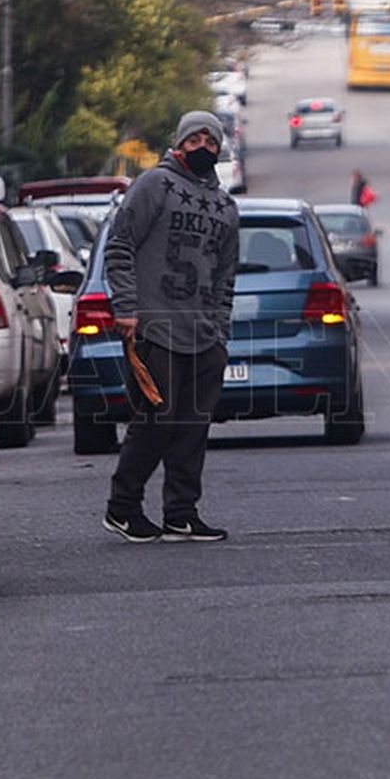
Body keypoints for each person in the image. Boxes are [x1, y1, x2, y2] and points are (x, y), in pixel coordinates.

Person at [101, 111, 240, 543]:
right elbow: (120, 244)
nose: (203, 147)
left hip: (202, 335)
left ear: (220, 148)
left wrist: (220, 332)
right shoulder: (154, 185)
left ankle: (181, 513)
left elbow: (225, 276)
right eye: (195, 139)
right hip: (154, 327)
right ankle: (123, 507)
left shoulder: (226, 206)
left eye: (211, 141)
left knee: (193, 427)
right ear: (180, 142)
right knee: (155, 421)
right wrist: (126, 308)